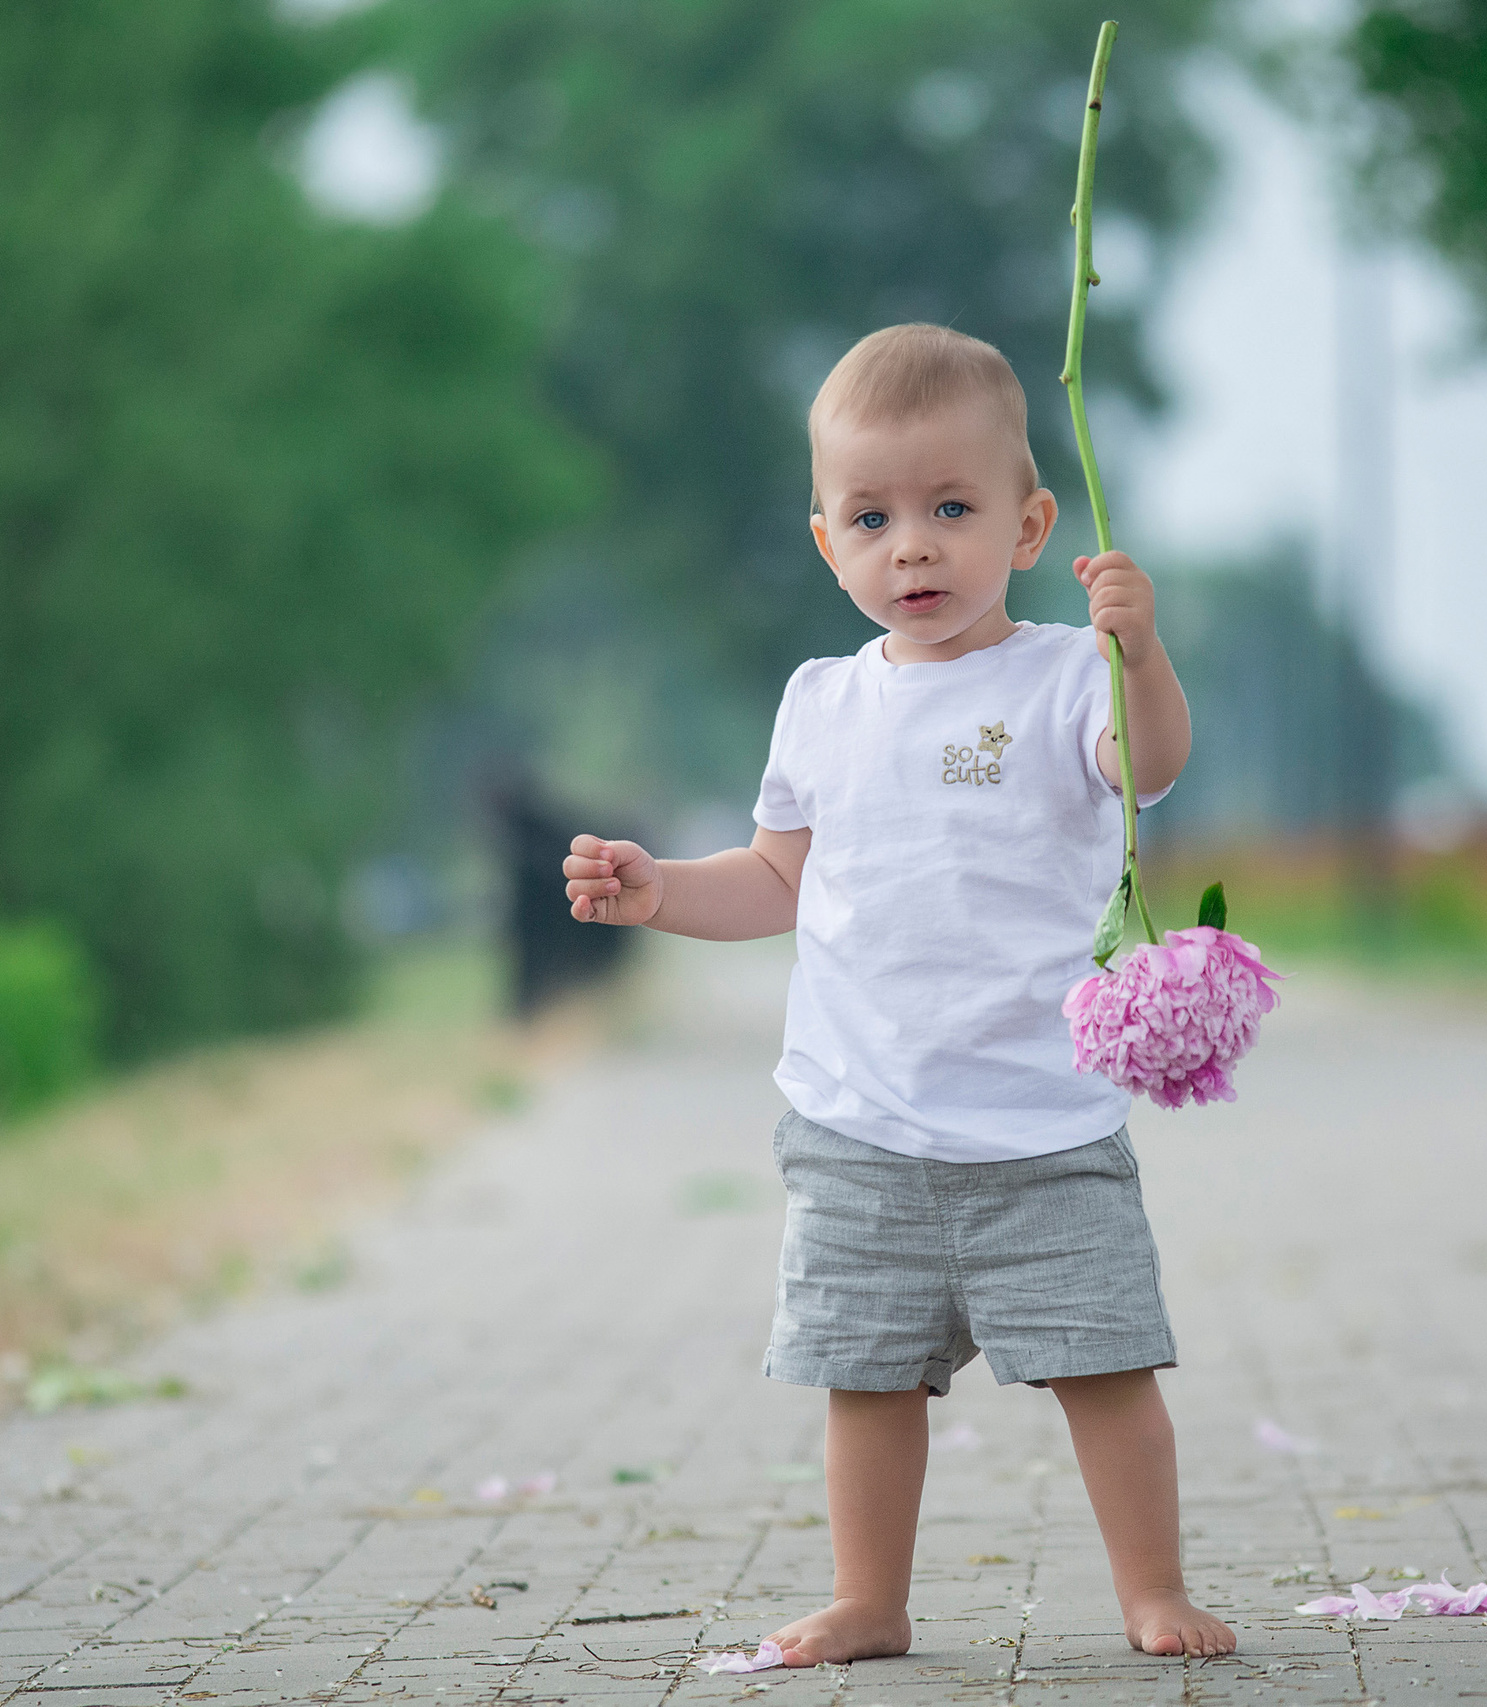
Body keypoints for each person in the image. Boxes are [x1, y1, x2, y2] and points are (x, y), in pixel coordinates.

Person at [560, 323, 1234, 1664]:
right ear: (827, 542)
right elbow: (776, 877)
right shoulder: (821, 702)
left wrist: (1142, 656)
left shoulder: (1064, 674)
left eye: (951, 510)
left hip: (1042, 1127)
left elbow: (1147, 767)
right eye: (871, 518)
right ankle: (871, 1598)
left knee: (1106, 1368)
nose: (912, 548)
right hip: (861, 1123)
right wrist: (659, 891)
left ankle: (1152, 1587)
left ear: (1030, 525)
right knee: (864, 1380)